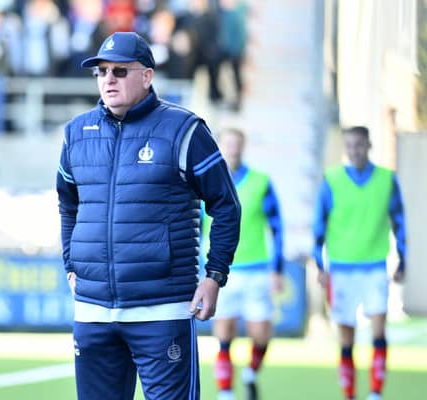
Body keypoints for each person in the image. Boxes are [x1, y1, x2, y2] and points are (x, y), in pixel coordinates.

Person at [56, 31, 241, 400]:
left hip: (162, 312)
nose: (108, 79)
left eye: (120, 71)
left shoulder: (183, 130)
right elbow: (67, 203)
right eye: (102, 71)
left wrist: (214, 276)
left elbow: (226, 205)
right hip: (93, 315)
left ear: (147, 75)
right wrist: (71, 264)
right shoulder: (76, 134)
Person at [313, 126, 406, 400]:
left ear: (369, 145)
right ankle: (350, 394)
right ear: (345, 148)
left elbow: (400, 222)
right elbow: (319, 224)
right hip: (341, 270)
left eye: (359, 145)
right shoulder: (331, 180)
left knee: (379, 330)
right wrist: (320, 265)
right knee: (346, 337)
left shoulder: (387, 180)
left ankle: (375, 393)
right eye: (350, 145)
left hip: (375, 267)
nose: (354, 150)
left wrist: (403, 261)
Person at [202, 128, 284, 400]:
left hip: (257, 269)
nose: (233, 149)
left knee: (261, 333)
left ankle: (250, 372)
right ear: (220, 147)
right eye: (228, 144)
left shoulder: (261, 182)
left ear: (243, 146)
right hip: (221, 271)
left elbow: (276, 226)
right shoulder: (206, 182)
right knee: (224, 331)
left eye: (237, 144)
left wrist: (277, 268)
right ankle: (226, 392)